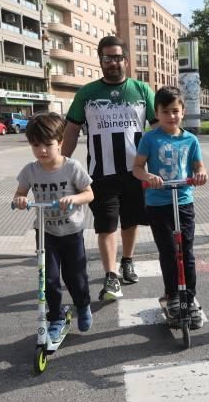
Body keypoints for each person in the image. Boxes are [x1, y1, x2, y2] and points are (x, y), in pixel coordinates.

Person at [61, 35, 156, 302]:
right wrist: (59, 167)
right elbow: (71, 131)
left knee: (131, 220)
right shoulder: (87, 93)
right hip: (100, 173)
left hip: (135, 171)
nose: (112, 63)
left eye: (117, 57)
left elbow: (158, 128)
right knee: (106, 226)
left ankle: (127, 260)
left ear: (126, 59)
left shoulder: (141, 90)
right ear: (100, 61)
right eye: (107, 58)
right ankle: (111, 276)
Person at [14, 113, 95, 342]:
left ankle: (83, 304)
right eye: (36, 145)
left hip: (71, 231)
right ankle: (56, 317)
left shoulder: (72, 167)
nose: (42, 151)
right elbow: (20, 193)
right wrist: (20, 200)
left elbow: (89, 193)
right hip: (46, 232)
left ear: (60, 142)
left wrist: (74, 199)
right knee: (48, 278)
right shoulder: (30, 170)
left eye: (48, 145)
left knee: (75, 276)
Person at [132, 86, 208, 329]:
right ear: (157, 113)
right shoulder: (150, 138)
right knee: (167, 251)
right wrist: (148, 176)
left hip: (184, 201)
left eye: (175, 111)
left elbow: (198, 167)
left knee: (186, 250)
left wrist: (201, 174)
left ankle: (189, 296)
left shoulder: (190, 139)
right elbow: (137, 168)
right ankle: (173, 295)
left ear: (183, 112)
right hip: (158, 203)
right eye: (165, 111)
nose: (171, 116)